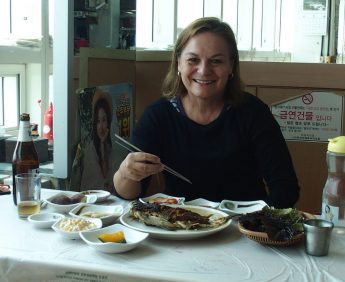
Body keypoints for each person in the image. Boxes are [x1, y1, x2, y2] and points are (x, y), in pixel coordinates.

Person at [114, 17, 299, 208]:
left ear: (231, 65)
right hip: (178, 227)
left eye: (216, 61)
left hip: (242, 229)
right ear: (178, 63)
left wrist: (254, 222)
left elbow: (286, 188)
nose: (203, 70)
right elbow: (130, 193)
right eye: (193, 60)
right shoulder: (158, 116)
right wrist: (126, 173)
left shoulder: (253, 113)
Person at [81, 91, 115, 192]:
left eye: (104, 120)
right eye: (98, 121)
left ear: (108, 121)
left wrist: (103, 144)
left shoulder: (112, 149)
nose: (101, 126)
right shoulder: (90, 150)